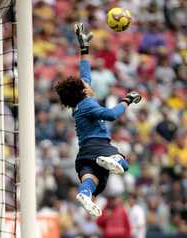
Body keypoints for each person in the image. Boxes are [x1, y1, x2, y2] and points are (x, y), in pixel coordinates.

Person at [55, 23, 142, 217]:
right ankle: (112, 159)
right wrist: (127, 100)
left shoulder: (79, 105)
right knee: (124, 164)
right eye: (85, 84)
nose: (87, 82)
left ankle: (85, 194)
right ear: (84, 90)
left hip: (84, 153)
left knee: (91, 181)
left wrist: (84, 48)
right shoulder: (88, 104)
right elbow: (111, 115)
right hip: (98, 146)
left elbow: (85, 72)